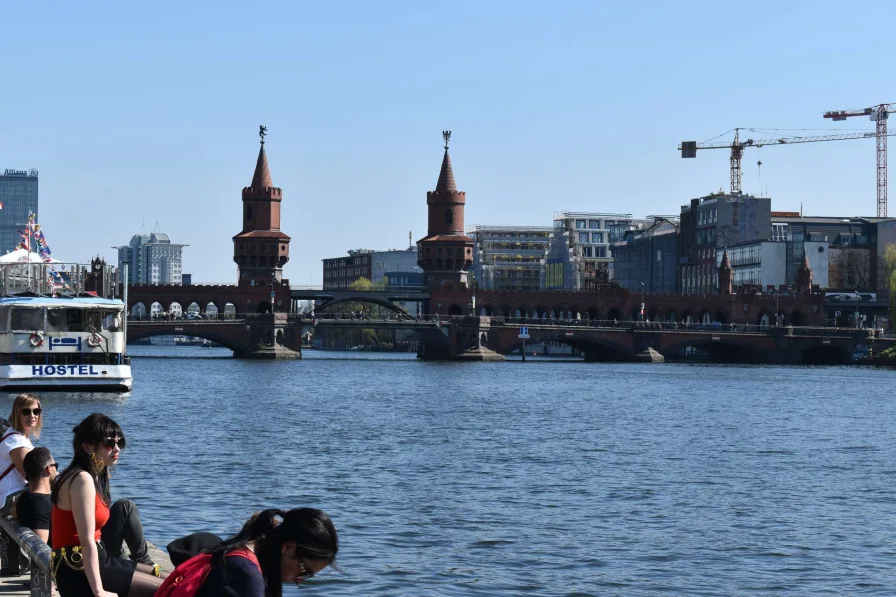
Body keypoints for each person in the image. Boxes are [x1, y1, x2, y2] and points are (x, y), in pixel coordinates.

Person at [51, 414, 163, 597]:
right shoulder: (81, 479)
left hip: (95, 560)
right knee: (167, 589)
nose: (117, 448)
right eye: (109, 444)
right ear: (87, 447)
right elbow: (86, 541)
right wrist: (99, 591)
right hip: (77, 569)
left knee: (170, 577)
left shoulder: (96, 475)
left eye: (120, 442)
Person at [186, 508, 338, 597]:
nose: (300, 581)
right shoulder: (247, 574)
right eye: (304, 570)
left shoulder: (241, 552)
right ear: (289, 548)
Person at [0, 394, 42, 512]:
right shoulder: (17, 442)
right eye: (26, 412)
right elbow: (31, 476)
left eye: (36, 411)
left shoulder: (15, 435)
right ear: (16, 413)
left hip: (13, 495)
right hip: (11, 498)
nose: (32, 416)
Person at [17, 447, 57, 542]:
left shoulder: (23, 498)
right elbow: (40, 546)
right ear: (49, 469)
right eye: (56, 465)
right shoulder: (42, 505)